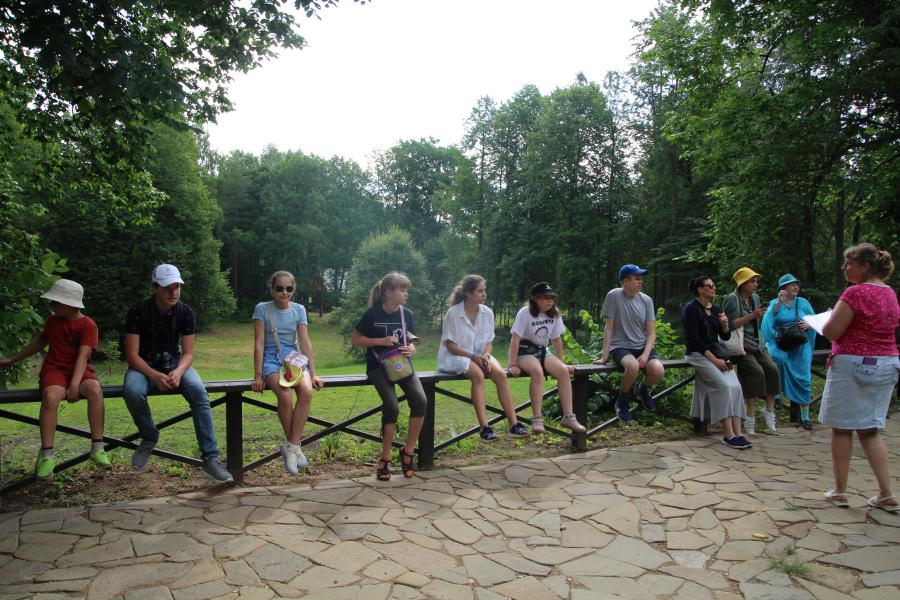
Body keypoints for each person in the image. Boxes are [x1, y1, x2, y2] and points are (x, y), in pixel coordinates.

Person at [122, 264, 233, 483]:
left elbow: (189, 353)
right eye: (167, 287)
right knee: (132, 391)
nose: (173, 292)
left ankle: (211, 459)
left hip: (175, 363)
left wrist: (179, 371)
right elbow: (132, 356)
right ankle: (149, 436)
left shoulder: (185, 312)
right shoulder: (138, 311)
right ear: (155, 288)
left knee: (199, 393)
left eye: (177, 286)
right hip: (143, 365)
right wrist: (154, 375)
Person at [0, 279, 111, 478]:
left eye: (55, 302)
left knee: (95, 391)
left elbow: (83, 356)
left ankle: (97, 447)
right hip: (55, 368)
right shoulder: (52, 322)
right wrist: (12, 359)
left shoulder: (88, 325)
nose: (51, 305)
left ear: (69, 304)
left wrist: (74, 386)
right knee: (51, 397)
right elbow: (39, 343)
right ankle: (47, 454)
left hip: (80, 369)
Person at [819, 244, 899, 512]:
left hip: (854, 364)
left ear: (865, 266)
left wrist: (825, 322)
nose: (844, 268)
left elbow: (832, 331)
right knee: (870, 429)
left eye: (849, 263)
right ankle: (886, 493)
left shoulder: (855, 293)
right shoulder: (889, 293)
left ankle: (840, 491)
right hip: (887, 363)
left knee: (842, 429)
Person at [351, 272, 425, 481]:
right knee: (392, 406)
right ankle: (385, 459)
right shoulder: (372, 314)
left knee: (421, 401)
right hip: (378, 367)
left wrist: (412, 348)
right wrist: (380, 341)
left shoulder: (406, 314)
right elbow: (356, 339)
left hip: (403, 366)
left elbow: (410, 337)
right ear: (388, 293)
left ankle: (408, 453)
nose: (406, 294)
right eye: (402, 290)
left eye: (407, 290)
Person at [438, 275, 528, 442]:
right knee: (478, 375)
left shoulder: (487, 313)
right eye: (480, 291)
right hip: (456, 356)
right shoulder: (453, 314)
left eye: (484, 290)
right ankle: (484, 427)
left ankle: (514, 424)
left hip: (480, 354)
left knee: (501, 375)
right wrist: (473, 357)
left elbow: (488, 342)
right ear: (468, 293)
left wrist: (486, 355)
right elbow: (450, 346)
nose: (484, 294)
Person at [251, 271, 325, 475]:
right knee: (284, 395)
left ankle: (291, 447)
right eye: (279, 288)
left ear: (294, 289)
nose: (284, 292)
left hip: (293, 357)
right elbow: (258, 343)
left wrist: (313, 373)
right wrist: (258, 375)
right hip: (270, 357)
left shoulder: (299, 309)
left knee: (306, 392)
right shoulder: (262, 309)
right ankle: (295, 447)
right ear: (272, 289)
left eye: (289, 288)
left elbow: (305, 342)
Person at [508, 282, 586, 434]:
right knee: (537, 372)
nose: (550, 300)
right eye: (545, 297)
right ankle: (537, 419)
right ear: (535, 299)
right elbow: (515, 339)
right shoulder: (525, 313)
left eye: (552, 297)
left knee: (563, 372)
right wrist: (512, 364)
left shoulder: (555, 314)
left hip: (543, 351)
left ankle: (568, 417)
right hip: (524, 351)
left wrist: (561, 363)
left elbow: (556, 340)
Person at [682, 276, 750, 449]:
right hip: (698, 354)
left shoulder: (716, 309)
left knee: (736, 387)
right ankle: (728, 434)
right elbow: (694, 339)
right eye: (710, 285)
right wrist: (714, 361)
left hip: (717, 353)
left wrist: (725, 324)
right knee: (723, 386)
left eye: (714, 285)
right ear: (700, 289)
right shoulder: (690, 309)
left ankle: (738, 433)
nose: (714, 288)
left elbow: (725, 336)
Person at [593, 264, 665, 421]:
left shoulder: (646, 300)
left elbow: (651, 333)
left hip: (642, 346)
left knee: (658, 371)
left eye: (641, 279)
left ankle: (642, 389)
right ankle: (622, 401)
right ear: (625, 281)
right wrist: (605, 356)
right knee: (632, 367)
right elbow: (609, 328)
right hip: (620, 346)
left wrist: (645, 355)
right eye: (636, 279)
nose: (641, 282)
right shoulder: (613, 296)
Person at [721, 267, 780, 435]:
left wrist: (758, 315)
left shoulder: (755, 298)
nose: (756, 284)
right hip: (740, 346)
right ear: (742, 283)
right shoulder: (732, 299)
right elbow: (729, 325)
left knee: (773, 370)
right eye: (752, 281)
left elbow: (756, 321)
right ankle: (750, 415)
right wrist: (752, 316)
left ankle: (769, 410)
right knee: (756, 373)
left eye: (756, 281)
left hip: (756, 343)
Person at [762, 274, 817, 429]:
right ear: (783, 288)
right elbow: (767, 323)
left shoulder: (803, 302)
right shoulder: (775, 303)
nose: (796, 287)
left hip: (800, 343)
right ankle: (777, 394)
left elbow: (816, 320)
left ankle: (805, 418)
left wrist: (810, 325)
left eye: (796, 285)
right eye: (792, 285)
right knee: (775, 358)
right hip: (781, 342)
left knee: (804, 376)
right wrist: (778, 304)